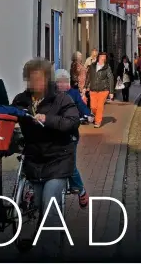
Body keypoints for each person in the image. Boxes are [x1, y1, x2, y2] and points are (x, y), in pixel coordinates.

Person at [12, 59, 80, 254]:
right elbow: (10, 116)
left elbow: (72, 121)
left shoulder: (61, 99)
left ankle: (49, 251)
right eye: (32, 79)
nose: (35, 83)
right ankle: (53, 239)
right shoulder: (21, 100)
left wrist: (47, 119)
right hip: (34, 161)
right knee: (42, 206)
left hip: (58, 159)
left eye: (39, 78)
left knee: (50, 202)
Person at [54, 69, 92, 208]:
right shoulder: (52, 95)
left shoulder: (73, 94)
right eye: (61, 82)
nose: (65, 84)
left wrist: (88, 114)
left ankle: (81, 191)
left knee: (70, 165)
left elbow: (81, 106)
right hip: (55, 133)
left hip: (70, 134)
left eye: (66, 81)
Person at [85, 52, 114, 127]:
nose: (103, 58)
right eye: (102, 56)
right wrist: (85, 87)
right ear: (98, 57)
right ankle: (96, 115)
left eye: (104, 57)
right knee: (93, 107)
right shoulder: (92, 66)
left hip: (104, 89)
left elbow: (111, 79)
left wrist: (111, 92)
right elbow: (88, 77)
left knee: (100, 105)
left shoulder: (107, 67)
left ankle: (98, 122)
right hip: (93, 89)